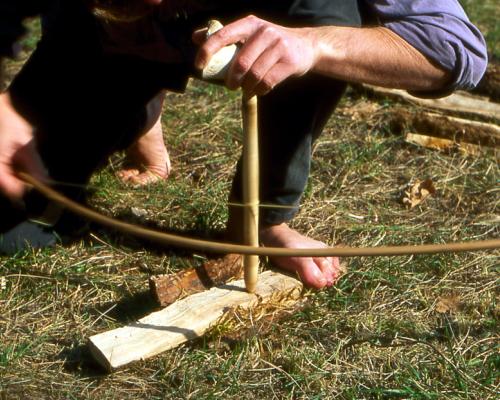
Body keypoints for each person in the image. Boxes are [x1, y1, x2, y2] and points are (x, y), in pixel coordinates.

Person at [0, 0, 487, 289]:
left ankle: (262, 217)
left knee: (321, 4)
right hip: (99, 36)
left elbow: (451, 47)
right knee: (12, 223)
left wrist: (315, 44)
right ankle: (136, 103)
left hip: (281, 26)